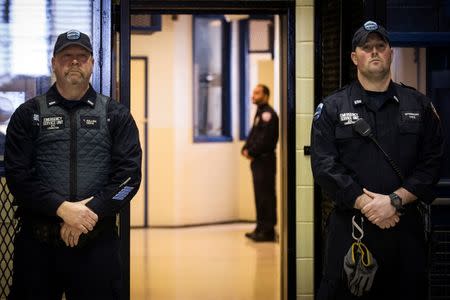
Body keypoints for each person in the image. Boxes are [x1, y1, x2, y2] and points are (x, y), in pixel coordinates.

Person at [311, 20, 444, 299]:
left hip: (404, 230)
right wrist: (367, 204)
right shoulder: (333, 107)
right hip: (351, 230)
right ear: (354, 57)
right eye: (366, 47)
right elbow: (324, 167)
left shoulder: (418, 105)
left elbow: (432, 163)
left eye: (380, 46)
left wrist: (393, 201)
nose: (374, 52)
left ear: (390, 53)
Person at [5, 30, 142, 300]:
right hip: (38, 247)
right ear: (54, 63)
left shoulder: (116, 115)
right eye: (67, 56)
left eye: (82, 56)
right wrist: (62, 209)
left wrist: (88, 213)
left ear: (92, 64)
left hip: (96, 246)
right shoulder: (28, 114)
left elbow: (129, 182)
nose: (75, 62)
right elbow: (18, 178)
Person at [242, 84, 279, 242]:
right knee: (259, 196)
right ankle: (260, 227)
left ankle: (268, 230)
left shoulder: (268, 115)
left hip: (265, 161)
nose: (253, 96)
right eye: (253, 93)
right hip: (258, 161)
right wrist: (245, 148)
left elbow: (265, 140)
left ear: (265, 95)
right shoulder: (260, 113)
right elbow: (254, 134)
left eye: (257, 93)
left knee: (266, 196)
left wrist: (251, 152)